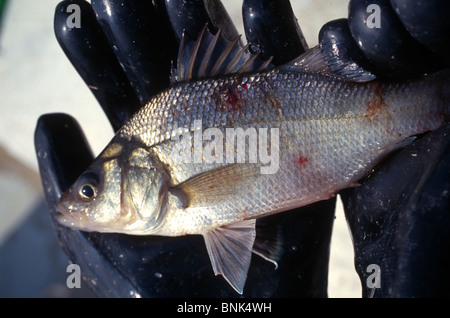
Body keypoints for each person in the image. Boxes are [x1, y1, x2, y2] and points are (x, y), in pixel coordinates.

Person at [35, 0, 450, 297]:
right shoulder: (159, 156)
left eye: (91, 190)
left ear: (144, 169)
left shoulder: (169, 170)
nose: (80, 202)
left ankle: (432, 99)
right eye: (89, 190)